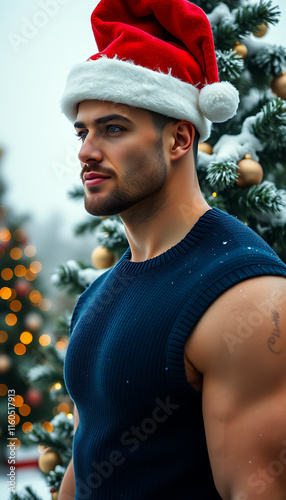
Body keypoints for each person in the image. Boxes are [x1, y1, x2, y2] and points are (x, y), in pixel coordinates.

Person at [59, 0, 286, 498]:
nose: (86, 151)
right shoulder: (97, 296)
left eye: (113, 129)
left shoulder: (246, 296)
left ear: (180, 138)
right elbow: (86, 465)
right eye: (83, 131)